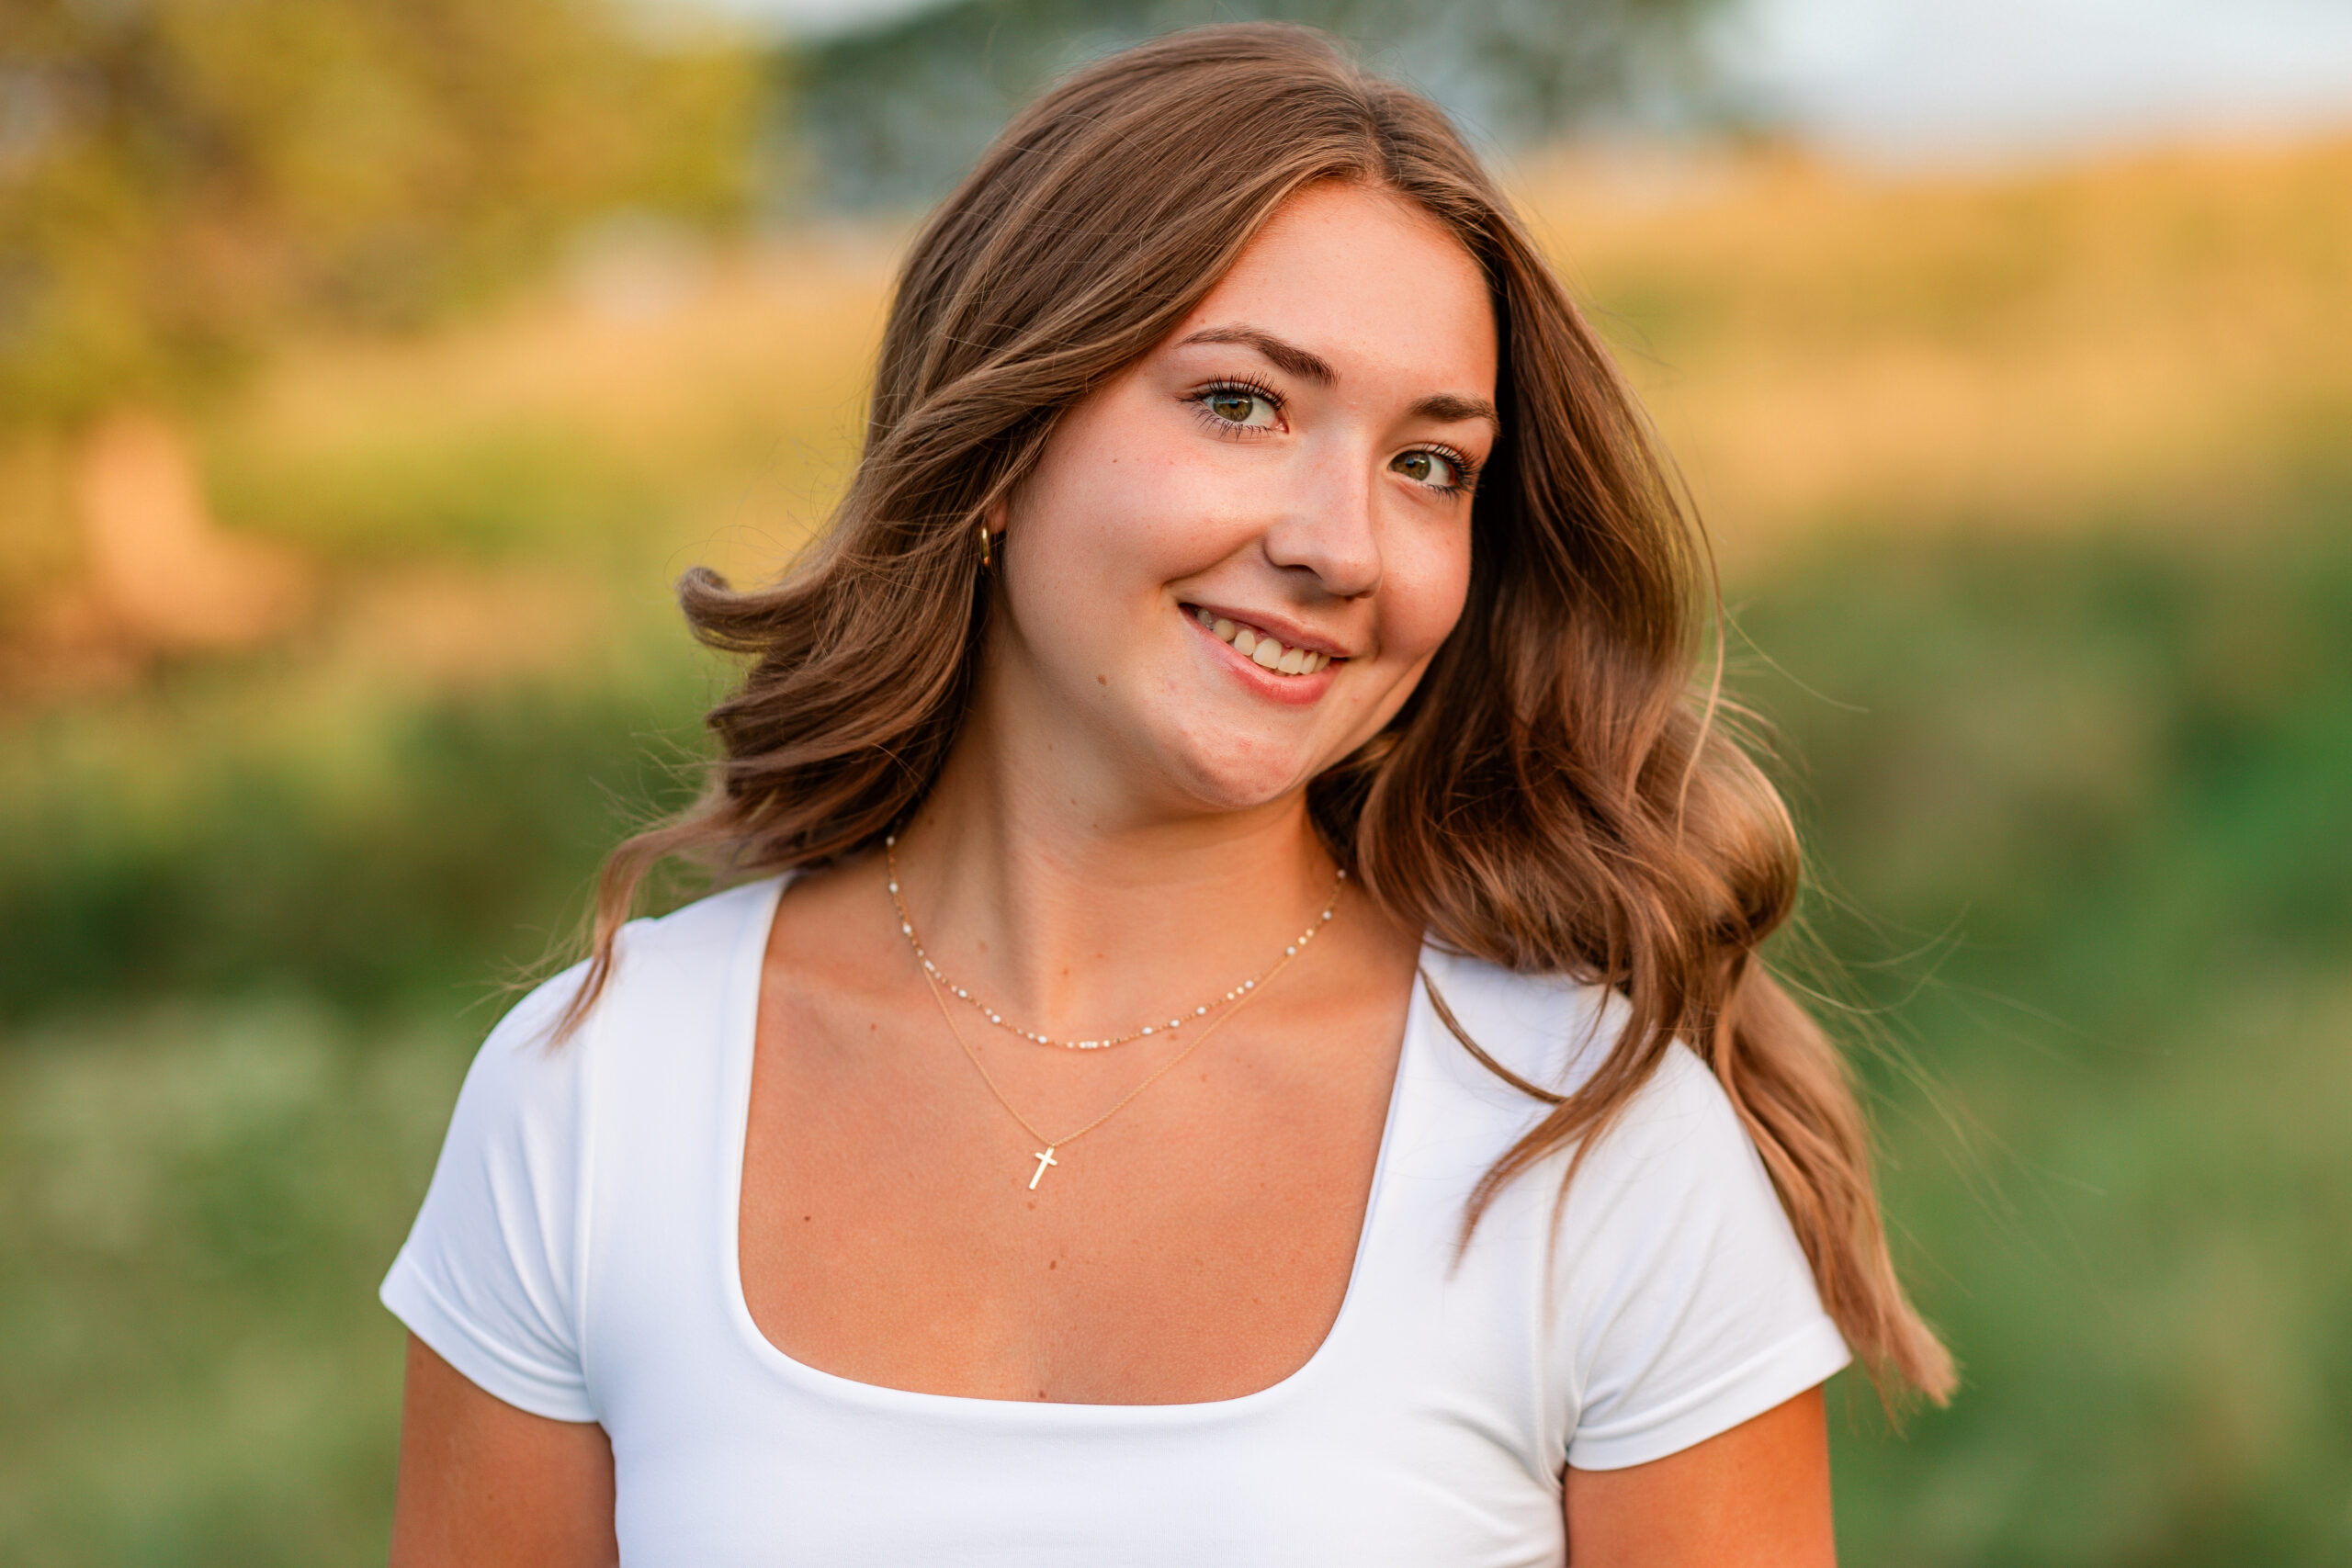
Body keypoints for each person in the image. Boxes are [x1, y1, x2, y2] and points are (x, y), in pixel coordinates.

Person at [380, 23, 1954, 1566]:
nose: (1342, 544)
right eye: (1241, 403)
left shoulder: (1586, 1142)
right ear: (1000, 440)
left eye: (1430, 465)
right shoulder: (599, 1093)